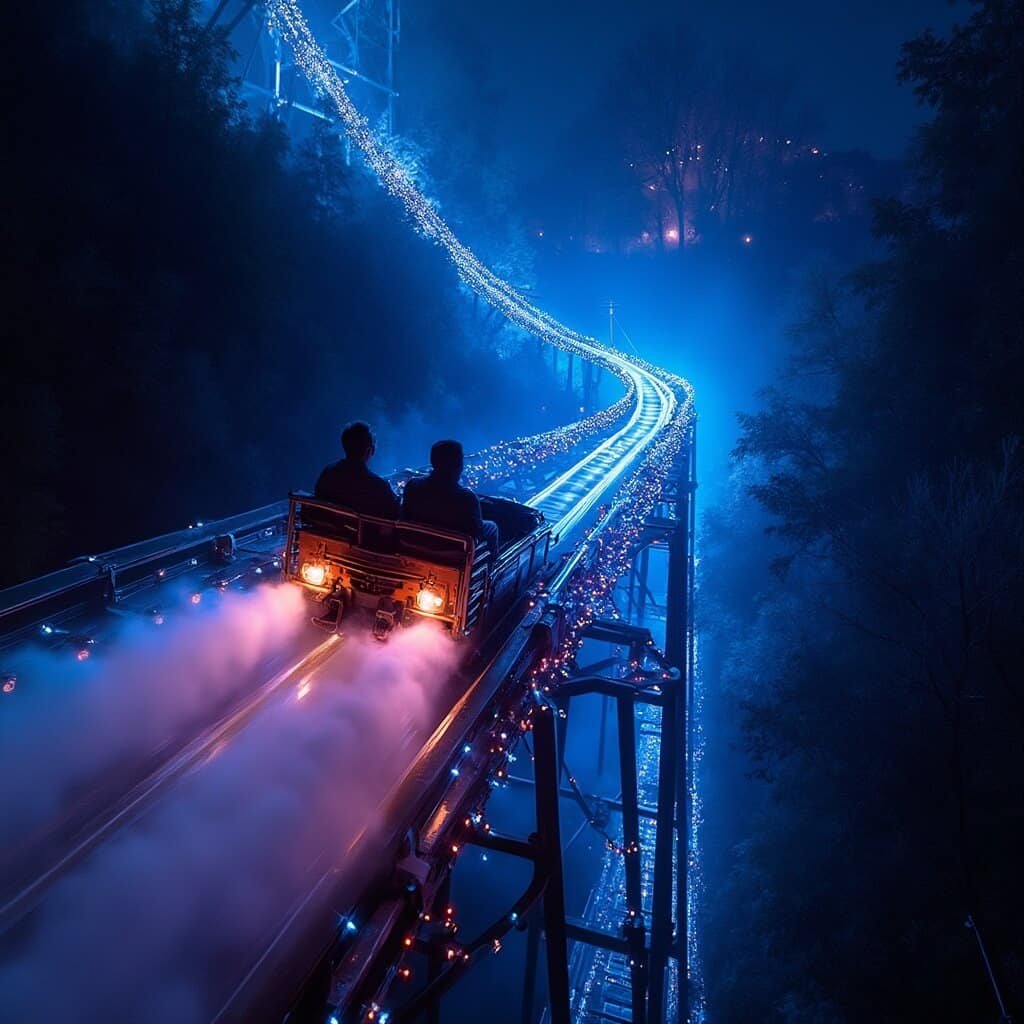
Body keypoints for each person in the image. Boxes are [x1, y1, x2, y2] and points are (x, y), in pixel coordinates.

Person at [401, 440, 499, 559]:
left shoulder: (413, 486)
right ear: (459, 464)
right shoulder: (467, 497)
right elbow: (475, 531)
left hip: (417, 545)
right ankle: (494, 566)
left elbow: (404, 516)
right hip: (451, 551)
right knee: (492, 526)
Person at [314, 421, 400, 519]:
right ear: (369, 451)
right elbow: (396, 515)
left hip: (326, 530)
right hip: (359, 534)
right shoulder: (379, 487)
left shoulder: (328, 473)